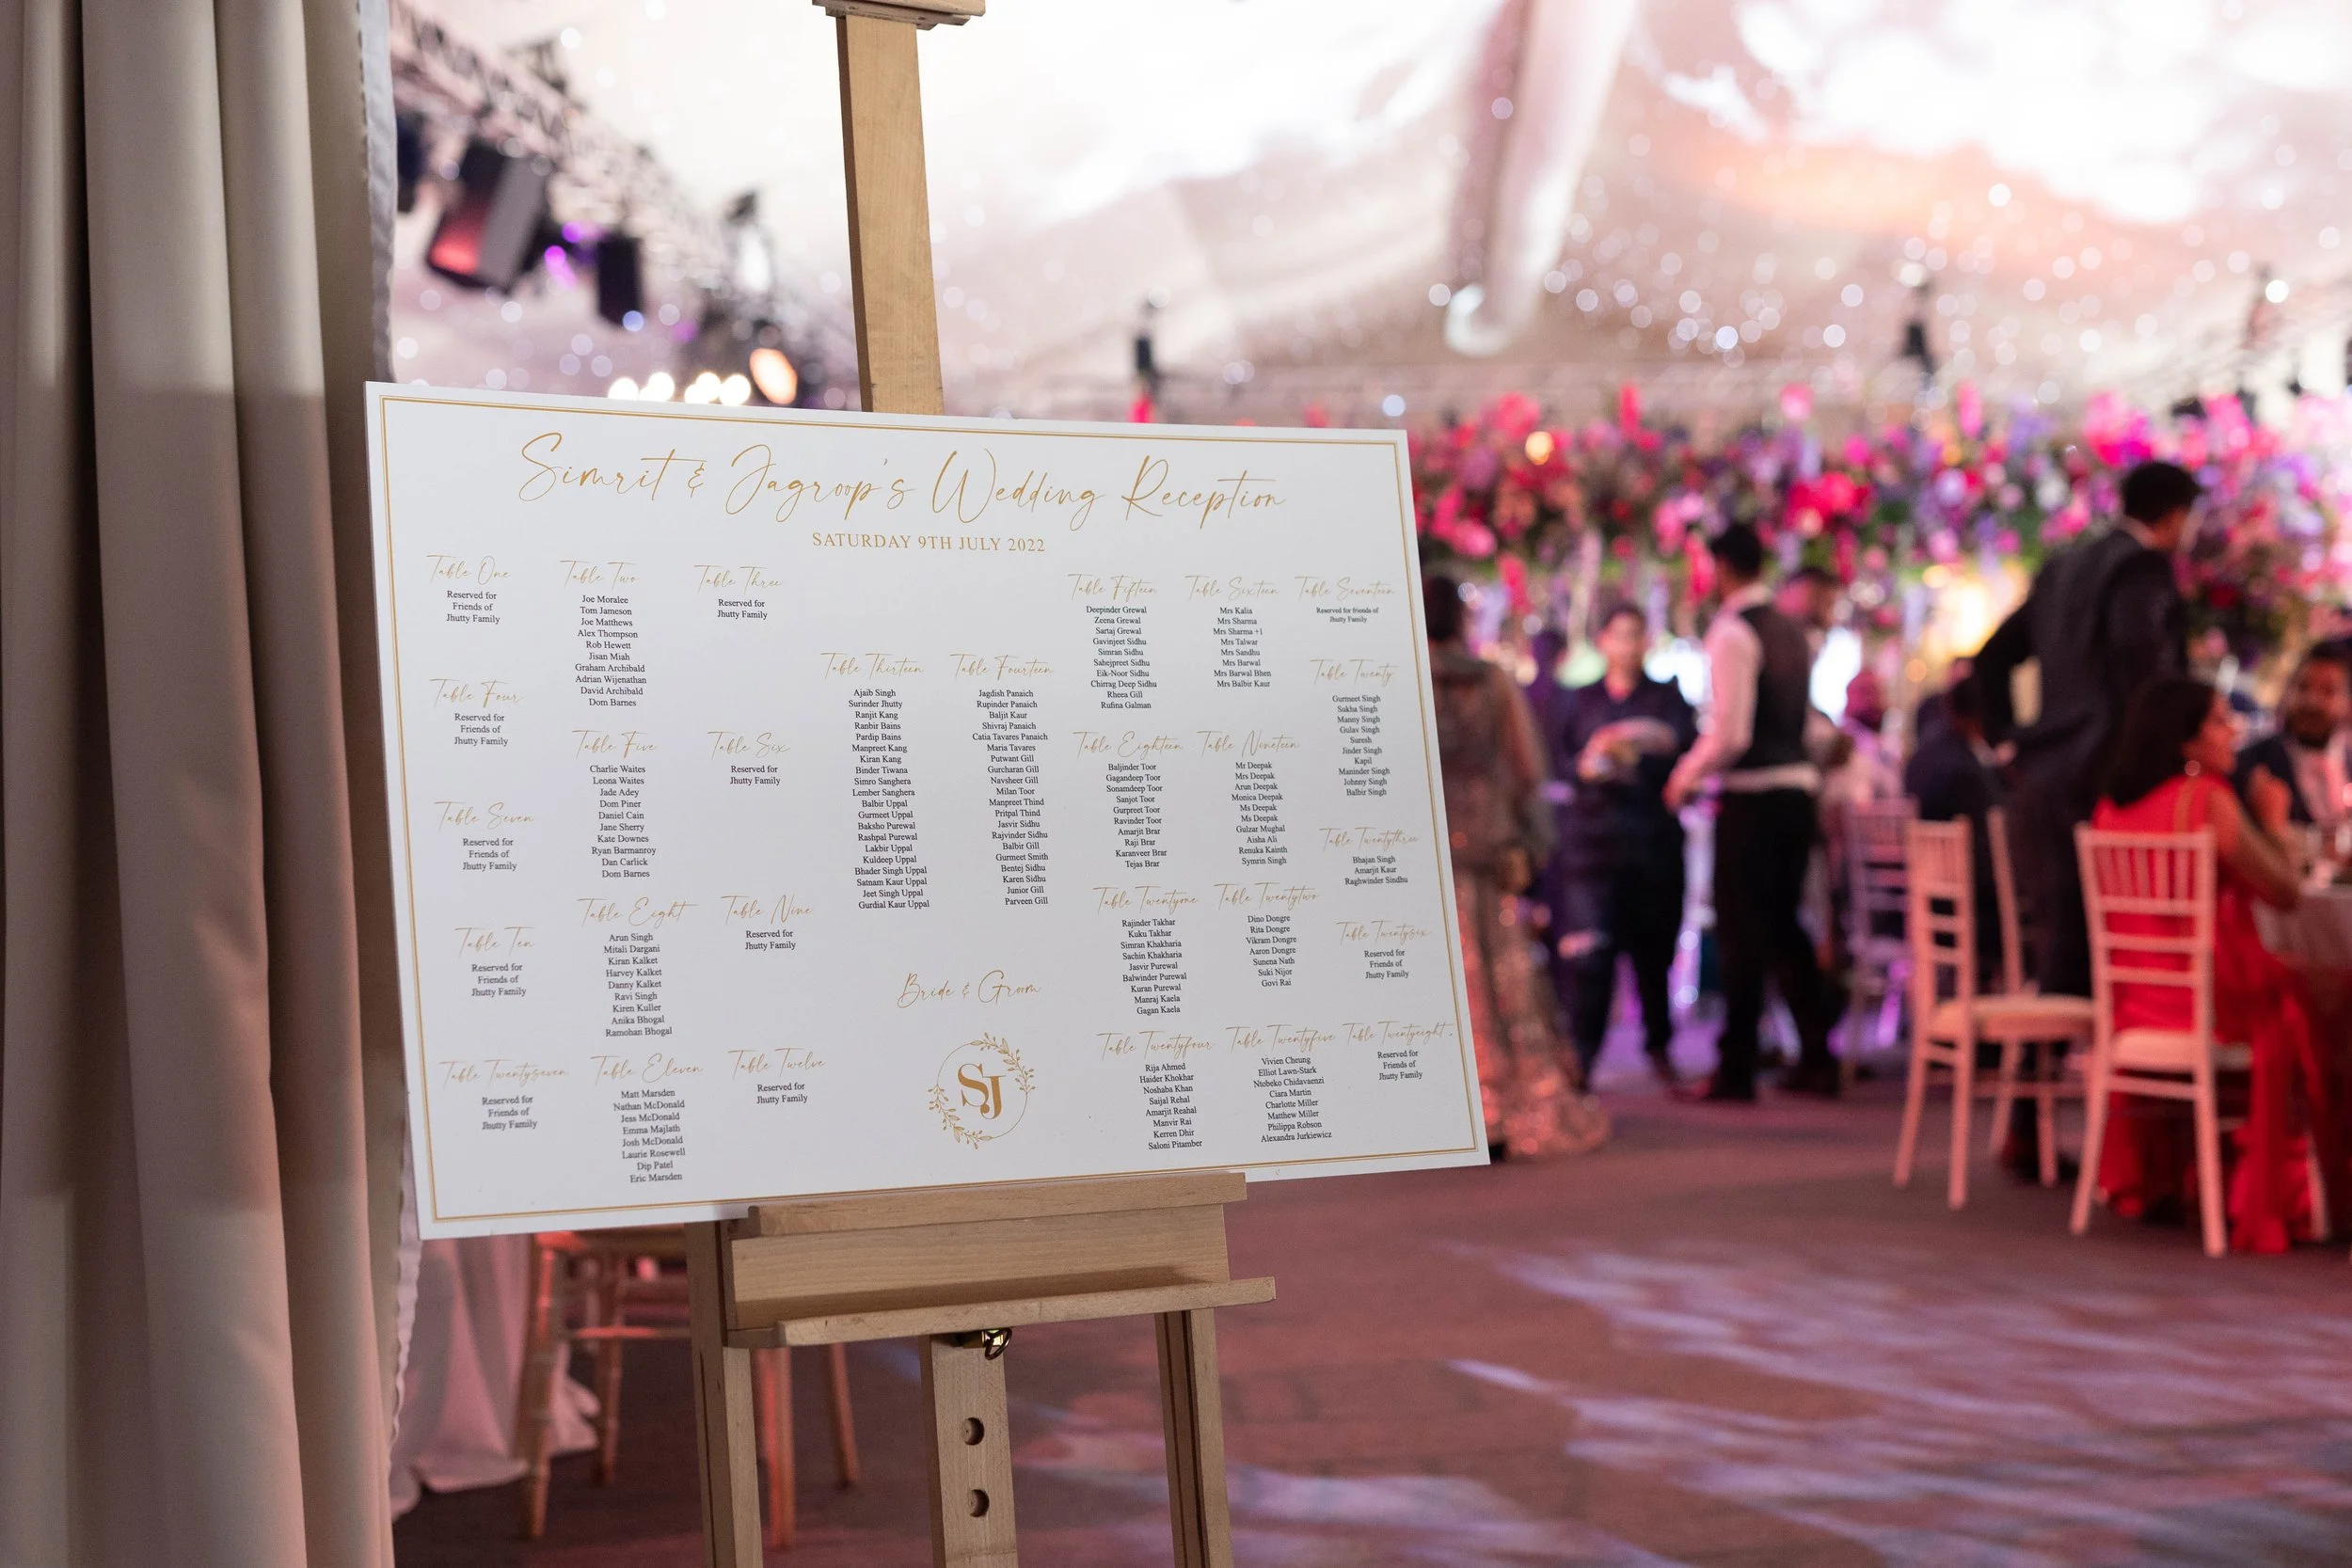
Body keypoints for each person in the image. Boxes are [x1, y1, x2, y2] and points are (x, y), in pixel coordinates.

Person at [2088, 677, 2331, 1253]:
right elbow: (2286, 892)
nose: (2234, 732)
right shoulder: (2204, 799)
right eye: (2220, 721)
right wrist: (2272, 818)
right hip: (2215, 1005)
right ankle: (2310, 1194)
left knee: (2310, 983)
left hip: (2139, 1004)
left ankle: (2209, 1178)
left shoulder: (2110, 806)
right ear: (2186, 741)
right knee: (2327, 997)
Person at [1976, 459, 2196, 999]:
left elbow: (1989, 660)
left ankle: (2040, 1072)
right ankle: (2091, 1070)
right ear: (2175, 516)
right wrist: (2167, 752)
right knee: (2102, 939)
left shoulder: (2062, 567)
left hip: (2041, 774)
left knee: (2060, 939)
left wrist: (2007, 741)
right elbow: (2143, 666)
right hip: (2105, 777)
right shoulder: (2142, 568)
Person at [1424, 574, 1609, 1158]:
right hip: (1481, 843)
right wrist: (1532, 842)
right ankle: (1498, 1105)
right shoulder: (1492, 683)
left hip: (1415, 849)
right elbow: (1527, 769)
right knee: (1495, 975)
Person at [1664, 525, 1842, 1100]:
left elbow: (1731, 733)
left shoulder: (1733, 631)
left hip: (1755, 797)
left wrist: (1684, 776)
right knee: (1785, 926)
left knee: (1743, 931)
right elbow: (1808, 726)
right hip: (1796, 794)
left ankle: (1736, 1067)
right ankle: (1817, 1055)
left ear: (1719, 568)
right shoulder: (1793, 631)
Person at [1549, 603, 1696, 1085]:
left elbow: (1680, 748)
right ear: (1603, 641)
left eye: (1636, 635)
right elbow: (1561, 763)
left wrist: (1632, 748)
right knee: (1590, 959)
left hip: (1651, 846)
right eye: (1619, 635)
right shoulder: (1579, 700)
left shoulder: (1666, 698)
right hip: (1593, 847)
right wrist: (1592, 765)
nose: (1628, 645)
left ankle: (1660, 1048)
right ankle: (1582, 1062)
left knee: (1654, 958)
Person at [1905, 673, 2002, 981]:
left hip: (1924, 908)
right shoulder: (1967, 769)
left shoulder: (1919, 759)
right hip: (1970, 917)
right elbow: (1990, 858)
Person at [2233, 648, 2352, 836]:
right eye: (2303, 687)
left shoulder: (2347, 761)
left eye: (2328, 691)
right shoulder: (2250, 765)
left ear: (2347, 702)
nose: (2312, 701)